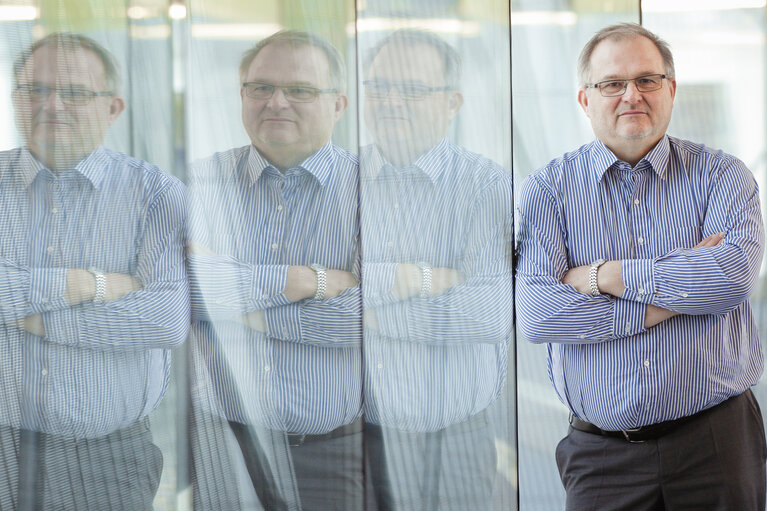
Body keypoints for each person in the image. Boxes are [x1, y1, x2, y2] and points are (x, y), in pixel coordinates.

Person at [516, 23, 766, 510]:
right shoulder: (547, 189)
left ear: (670, 90)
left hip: (717, 443)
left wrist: (606, 276)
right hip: (601, 456)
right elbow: (540, 314)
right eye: (612, 83)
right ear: (586, 99)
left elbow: (731, 278)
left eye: (648, 80)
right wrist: (669, 298)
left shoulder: (723, 176)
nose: (632, 94)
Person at [0, 33, 189, 510]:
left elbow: (165, 317)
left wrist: (41, 318)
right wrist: (88, 285)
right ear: (15, 99)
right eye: (35, 90)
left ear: (113, 107)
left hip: (108, 458)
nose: (54, 105)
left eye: (77, 93)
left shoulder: (154, 193)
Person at [187, 30, 362, 510]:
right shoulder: (198, 183)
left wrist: (237, 300)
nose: (276, 102)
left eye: (300, 90)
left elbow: (372, 319)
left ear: (339, 104)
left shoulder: (373, 190)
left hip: (333, 451)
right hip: (221, 445)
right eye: (260, 87)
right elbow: (182, 296)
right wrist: (309, 281)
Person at [360, 30, 513, 510]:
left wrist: (371, 314)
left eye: (412, 89)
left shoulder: (486, 186)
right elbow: (316, 292)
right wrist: (423, 281)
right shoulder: (338, 180)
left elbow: (488, 312)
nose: (390, 101)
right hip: (353, 438)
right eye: (378, 86)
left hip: (455, 442)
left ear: (453, 103)